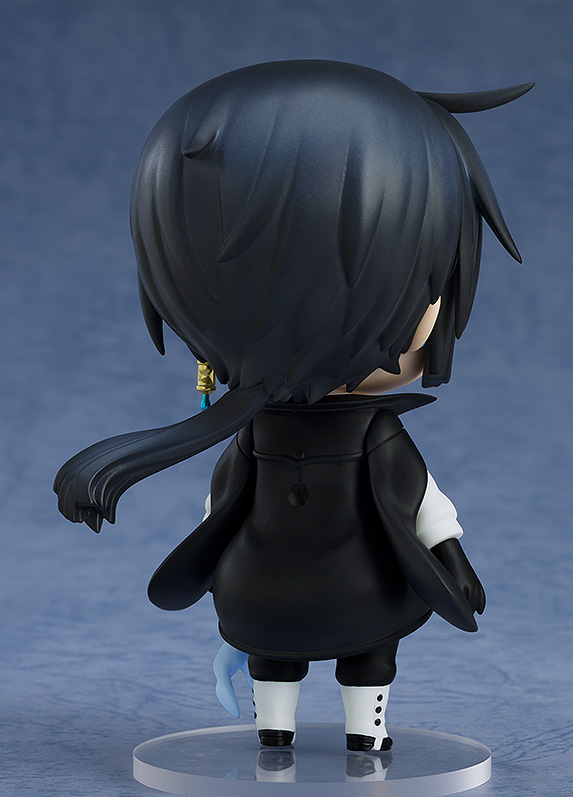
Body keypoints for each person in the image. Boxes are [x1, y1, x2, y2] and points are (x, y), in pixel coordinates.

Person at [55, 60, 532, 751]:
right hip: (360, 595)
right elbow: (424, 508)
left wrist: (214, 569)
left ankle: (280, 726)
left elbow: (221, 511)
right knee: (362, 657)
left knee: (285, 659)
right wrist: (453, 562)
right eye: (426, 284)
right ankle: (348, 731)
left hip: (261, 595)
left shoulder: (260, 438)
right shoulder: (369, 436)